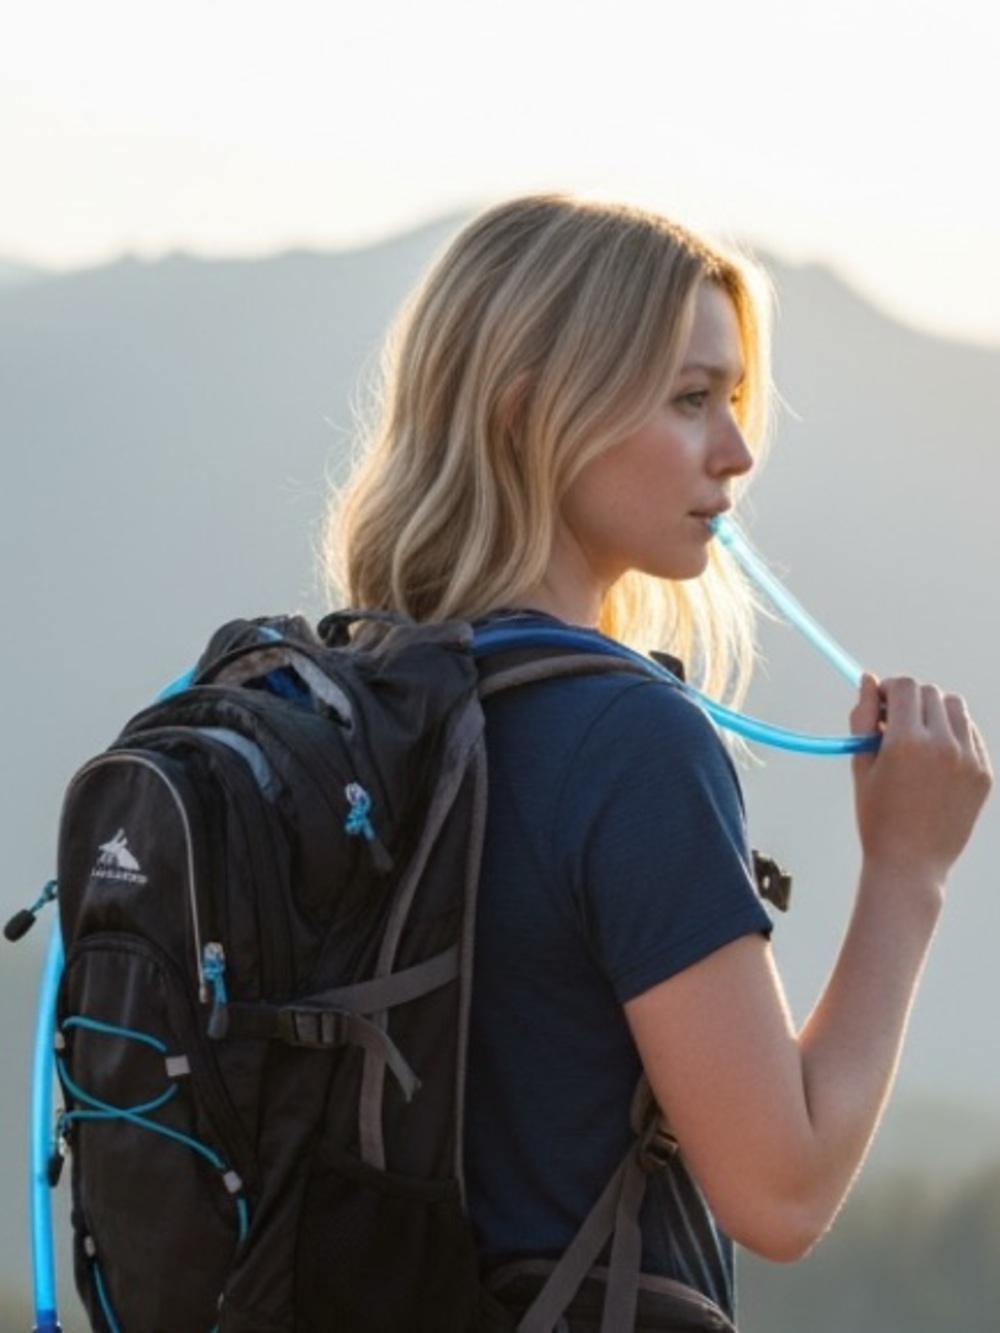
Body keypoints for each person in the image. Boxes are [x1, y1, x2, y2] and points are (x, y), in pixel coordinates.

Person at [325, 194, 992, 1329]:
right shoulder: (627, 741)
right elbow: (779, 1191)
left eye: (730, 399)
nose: (735, 451)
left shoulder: (357, 697)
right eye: (691, 400)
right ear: (528, 416)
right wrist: (908, 870)